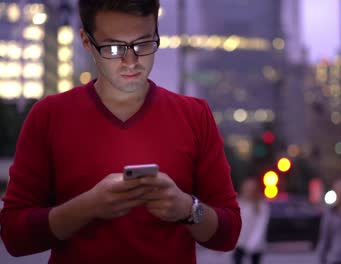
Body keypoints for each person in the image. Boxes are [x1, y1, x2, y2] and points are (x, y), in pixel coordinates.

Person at [0, 1, 241, 263]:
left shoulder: (195, 116)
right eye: (114, 48)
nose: (131, 61)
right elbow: (13, 236)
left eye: (143, 44)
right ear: (87, 41)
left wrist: (187, 208)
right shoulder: (48, 116)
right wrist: (88, 207)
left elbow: (228, 234)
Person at [233, 177, 270, 264]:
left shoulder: (261, 205)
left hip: (255, 244)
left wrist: (252, 243)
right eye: (247, 188)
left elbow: (261, 226)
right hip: (240, 242)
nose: (248, 191)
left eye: (251, 188)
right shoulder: (239, 203)